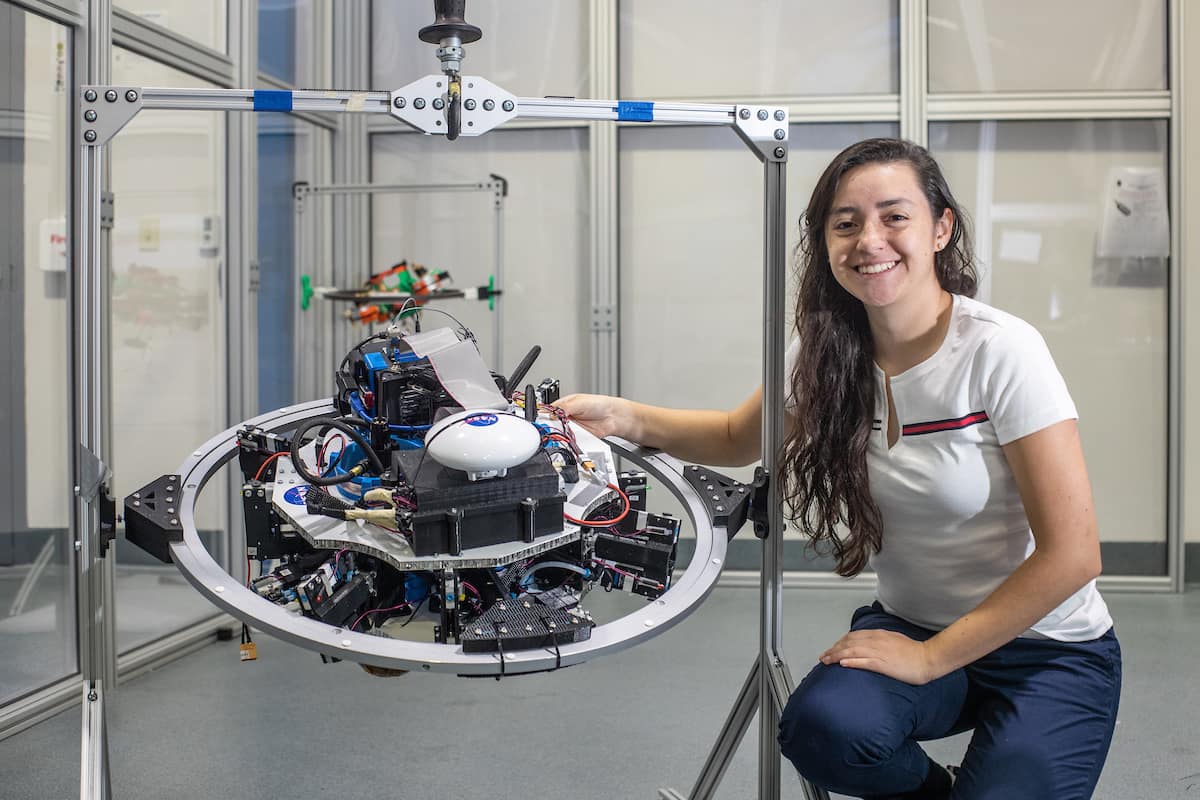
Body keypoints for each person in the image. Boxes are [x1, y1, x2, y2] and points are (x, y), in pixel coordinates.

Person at [556, 137, 1121, 800]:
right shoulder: (826, 351)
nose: (869, 240)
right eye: (845, 224)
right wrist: (620, 416)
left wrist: (930, 657)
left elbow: (1074, 555)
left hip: (1049, 650)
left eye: (894, 216)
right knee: (825, 730)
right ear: (825, 243)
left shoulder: (1002, 351)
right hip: (916, 623)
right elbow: (741, 436)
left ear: (941, 228)